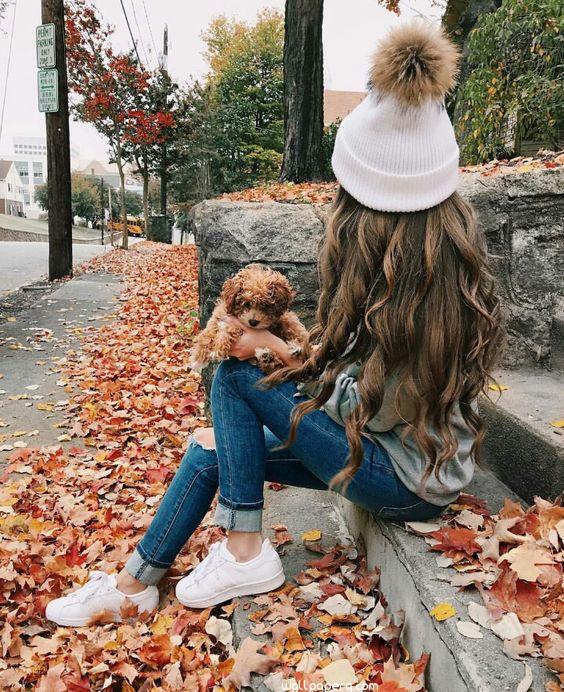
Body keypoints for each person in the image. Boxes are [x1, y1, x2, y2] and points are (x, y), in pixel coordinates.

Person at [46, 20, 503, 627]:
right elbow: (362, 383)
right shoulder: (434, 260)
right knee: (211, 448)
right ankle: (135, 584)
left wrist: (283, 359)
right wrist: (297, 359)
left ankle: (243, 549)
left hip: (403, 479)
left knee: (235, 378)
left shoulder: (419, 297)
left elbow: (376, 407)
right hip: (398, 455)